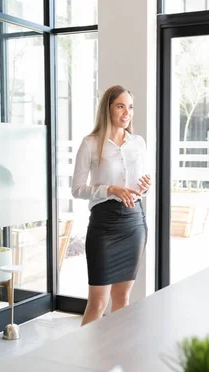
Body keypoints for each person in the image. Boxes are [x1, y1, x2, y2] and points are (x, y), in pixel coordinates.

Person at [72, 85, 151, 326]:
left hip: (133, 222)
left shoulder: (138, 142)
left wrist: (145, 187)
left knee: (123, 299)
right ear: (108, 109)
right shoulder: (90, 143)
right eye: (120, 106)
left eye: (130, 107)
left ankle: (116, 359)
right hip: (104, 225)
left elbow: (143, 183)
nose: (127, 112)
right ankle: (85, 361)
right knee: (97, 303)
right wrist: (111, 189)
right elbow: (77, 189)